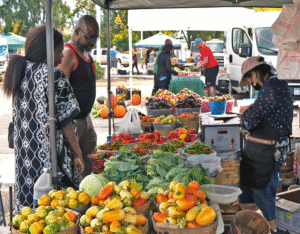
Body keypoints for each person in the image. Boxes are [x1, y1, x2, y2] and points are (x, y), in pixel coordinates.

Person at [3, 25, 84, 210]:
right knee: (55, 211)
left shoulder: (20, 72)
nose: (63, 55)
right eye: (59, 50)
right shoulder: (53, 75)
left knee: (31, 216)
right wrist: (78, 153)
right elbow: (65, 122)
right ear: (47, 50)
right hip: (51, 160)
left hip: (25, 158)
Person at [239, 56, 293, 234]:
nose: (250, 83)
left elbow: (254, 114)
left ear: (254, 74)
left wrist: (245, 119)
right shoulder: (278, 83)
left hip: (270, 148)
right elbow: (264, 109)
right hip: (274, 145)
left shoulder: (271, 86)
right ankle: (255, 224)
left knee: (262, 189)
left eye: (249, 79)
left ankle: (272, 229)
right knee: (262, 186)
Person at [58, 15, 98, 177]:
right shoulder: (68, 53)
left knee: (90, 159)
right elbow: (60, 90)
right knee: (76, 163)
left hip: (86, 118)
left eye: (95, 38)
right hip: (73, 122)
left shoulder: (86, 54)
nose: (93, 42)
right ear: (76, 32)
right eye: (89, 37)